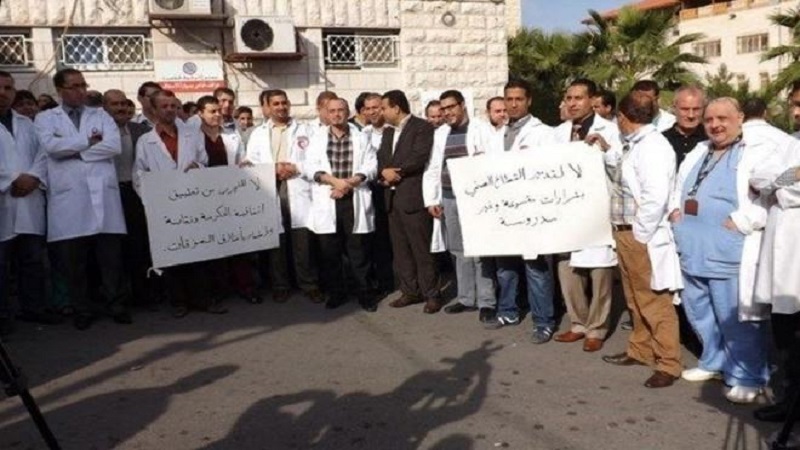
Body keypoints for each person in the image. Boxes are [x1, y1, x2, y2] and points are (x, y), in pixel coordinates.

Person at [670, 97, 771, 403]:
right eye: (709, 119)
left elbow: (769, 197)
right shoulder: (700, 150)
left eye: (722, 118)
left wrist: (741, 221)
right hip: (692, 248)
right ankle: (713, 361)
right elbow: (679, 185)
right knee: (699, 311)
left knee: (735, 318)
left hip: (728, 251)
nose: (715, 125)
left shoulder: (754, 152)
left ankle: (749, 376)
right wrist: (675, 210)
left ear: (740, 118)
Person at [34, 68, 131, 330]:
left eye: (83, 85)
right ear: (60, 90)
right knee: (73, 262)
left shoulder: (100, 115)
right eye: (74, 86)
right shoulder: (45, 118)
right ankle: (82, 309)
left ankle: (116, 304)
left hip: (103, 195)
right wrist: (89, 141)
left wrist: (76, 150)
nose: (81, 91)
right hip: (69, 198)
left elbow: (113, 146)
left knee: (110, 257)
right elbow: (51, 148)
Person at [599, 92, 683, 388]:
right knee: (635, 297)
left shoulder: (653, 147)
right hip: (625, 232)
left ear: (622, 117)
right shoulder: (634, 144)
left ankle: (668, 362)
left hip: (640, 234)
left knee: (654, 299)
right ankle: (641, 349)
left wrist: (641, 234)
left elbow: (655, 197)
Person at [132, 90, 225, 317]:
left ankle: (204, 299)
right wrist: (152, 200)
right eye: (164, 106)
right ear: (154, 110)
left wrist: (197, 168)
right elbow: (139, 175)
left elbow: (204, 161)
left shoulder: (191, 135)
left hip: (191, 201)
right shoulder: (146, 141)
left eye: (173, 106)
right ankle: (178, 301)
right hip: (163, 206)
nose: (170, 110)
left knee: (198, 252)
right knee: (172, 254)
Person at [486, 79, 557, 345]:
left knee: (535, 268)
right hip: (503, 209)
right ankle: (508, 311)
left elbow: (550, 169)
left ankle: (543, 321)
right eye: (509, 99)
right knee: (505, 266)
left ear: (529, 101)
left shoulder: (543, 133)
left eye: (518, 99)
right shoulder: (497, 134)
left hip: (531, 210)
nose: (513, 104)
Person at [552, 79, 619, 352]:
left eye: (578, 98)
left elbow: (621, 168)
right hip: (566, 212)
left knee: (600, 272)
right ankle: (578, 324)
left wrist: (606, 150)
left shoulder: (611, 130)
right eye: (568, 98)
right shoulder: (558, 133)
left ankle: (597, 328)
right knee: (567, 270)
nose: (572, 103)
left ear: (592, 100)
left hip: (597, 212)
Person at [423, 90, 497, 323]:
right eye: (443, 109)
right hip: (449, 198)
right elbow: (434, 167)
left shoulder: (481, 129)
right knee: (457, 250)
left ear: (462, 105)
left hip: (474, 198)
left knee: (479, 250)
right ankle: (466, 298)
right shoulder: (441, 133)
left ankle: (486, 301)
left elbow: (492, 162)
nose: (447, 112)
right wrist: (432, 199)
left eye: (451, 107)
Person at [244, 89, 322, 303]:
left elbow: (315, 158)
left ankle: (309, 284)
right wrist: (274, 168)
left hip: (298, 184)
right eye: (276, 104)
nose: (281, 107)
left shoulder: (305, 130)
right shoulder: (258, 133)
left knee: (302, 240)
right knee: (276, 240)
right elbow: (251, 161)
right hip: (271, 187)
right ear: (268, 107)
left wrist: (294, 167)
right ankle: (280, 285)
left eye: (284, 103)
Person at [0, 71, 59, 336]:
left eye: (8, 88)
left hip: (30, 198)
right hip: (5, 198)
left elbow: (43, 154)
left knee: (32, 260)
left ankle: (33, 308)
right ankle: (2, 316)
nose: (3, 93)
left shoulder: (27, 124)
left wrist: (34, 177)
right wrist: (13, 178)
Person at [750, 114, 800, 421]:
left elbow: (784, 191)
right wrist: (788, 179)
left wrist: (779, 187)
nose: (796, 113)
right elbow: (759, 177)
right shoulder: (789, 142)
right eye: (795, 105)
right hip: (782, 252)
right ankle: (790, 401)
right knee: (785, 332)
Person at [306, 98, 377, 311]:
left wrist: (348, 184)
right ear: (326, 114)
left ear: (348, 112)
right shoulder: (317, 138)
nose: (336, 114)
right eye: (332, 111)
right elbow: (309, 167)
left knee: (358, 252)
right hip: (328, 198)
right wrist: (334, 182)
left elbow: (371, 166)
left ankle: (365, 294)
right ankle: (337, 293)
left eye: (341, 110)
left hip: (353, 197)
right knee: (330, 252)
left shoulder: (361, 137)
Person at [378, 90, 441, 313]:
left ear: (396, 108)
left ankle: (431, 293)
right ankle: (410, 291)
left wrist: (397, 172)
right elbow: (381, 158)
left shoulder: (421, 127)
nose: (381, 112)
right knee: (401, 250)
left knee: (421, 249)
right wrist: (383, 172)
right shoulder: (387, 132)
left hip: (412, 197)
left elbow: (419, 156)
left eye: (384, 108)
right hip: (392, 199)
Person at [102, 89, 153, 307]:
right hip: (108, 194)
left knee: (138, 245)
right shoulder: (98, 132)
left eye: (123, 103)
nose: (121, 108)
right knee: (112, 249)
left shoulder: (141, 131)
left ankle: (143, 294)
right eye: (114, 104)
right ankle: (117, 297)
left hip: (134, 193)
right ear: (105, 107)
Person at [361, 92, 395, 295]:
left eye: (376, 107)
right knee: (375, 238)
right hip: (370, 189)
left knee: (393, 238)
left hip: (392, 188)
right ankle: (381, 281)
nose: (372, 112)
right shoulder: (362, 134)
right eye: (368, 108)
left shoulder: (394, 131)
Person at [663, 86, 707, 167]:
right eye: (685, 109)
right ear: (674, 108)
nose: (691, 115)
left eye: (696, 109)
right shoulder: (662, 140)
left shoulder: (711, 140)